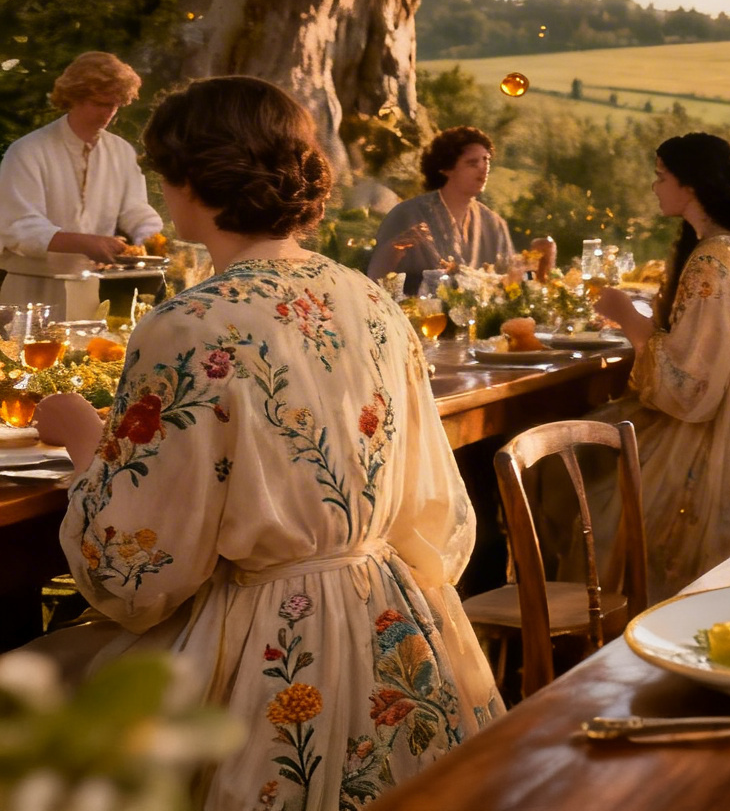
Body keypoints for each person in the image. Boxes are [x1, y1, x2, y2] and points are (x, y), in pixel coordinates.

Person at [35, 77, 501, 809]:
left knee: (39, 707)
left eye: (163, 169)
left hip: (266, 644)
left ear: (193, 179)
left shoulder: (188, 324)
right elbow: (433, 516)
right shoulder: (369, 298)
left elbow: (140, 566)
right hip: (392, 623)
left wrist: (82, 437)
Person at [590, 133, 730, 597]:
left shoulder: (712, 259)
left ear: (690, 185)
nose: (655, 187)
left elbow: (690, 387)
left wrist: (625, 315)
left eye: (661, 177)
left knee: (579, 479)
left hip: (713, 440)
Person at [0, 53, 162, 316]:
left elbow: (135, 209)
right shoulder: (28, 151)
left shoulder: (121, 152)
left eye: (115, 105)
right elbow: (17, 225)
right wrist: (84, 243)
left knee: (85, 344)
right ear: (73, 97)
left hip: (88, 289)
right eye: (99, 104)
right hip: (29, 289)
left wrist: (152, 239)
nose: (108, 113)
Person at [368, 126, 515, 286]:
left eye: (486, 160)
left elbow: (510, 279)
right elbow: (374, 277)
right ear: (446, 168)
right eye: (472, 163)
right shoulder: (407, 214)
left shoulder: (493, 223)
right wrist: (398, 246)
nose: (484, 168)